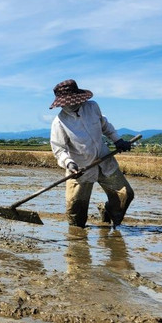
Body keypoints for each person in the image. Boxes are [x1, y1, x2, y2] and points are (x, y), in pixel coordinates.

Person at [49, 79, 135, 229]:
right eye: (66, 102)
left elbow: (104, 126)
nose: (71, 104)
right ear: (61, 103)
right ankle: (77, 240)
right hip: (79, 169)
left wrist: (117, 140)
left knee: (125, 194)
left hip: (104, 161)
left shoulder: (92, 107)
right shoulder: (59, 122)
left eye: (73, 100)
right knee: (75, 212)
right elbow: (59, 149)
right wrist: (69, 163)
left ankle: (108, 211)